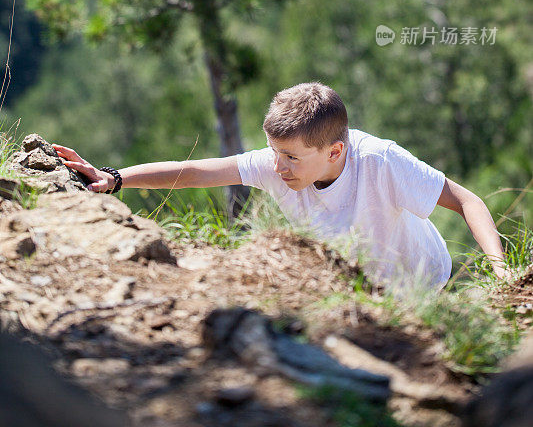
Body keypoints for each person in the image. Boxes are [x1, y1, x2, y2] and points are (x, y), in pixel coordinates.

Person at [53, 81, 512, 297]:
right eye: (274, 152)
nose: (278, 166)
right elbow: (194, 170)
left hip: (421, 281)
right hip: (352, 285)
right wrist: (116, 178)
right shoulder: (277, 164)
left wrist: (500, 270)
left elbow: (468, 200)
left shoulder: (381, 161)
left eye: (292, 157)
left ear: (335, 151)